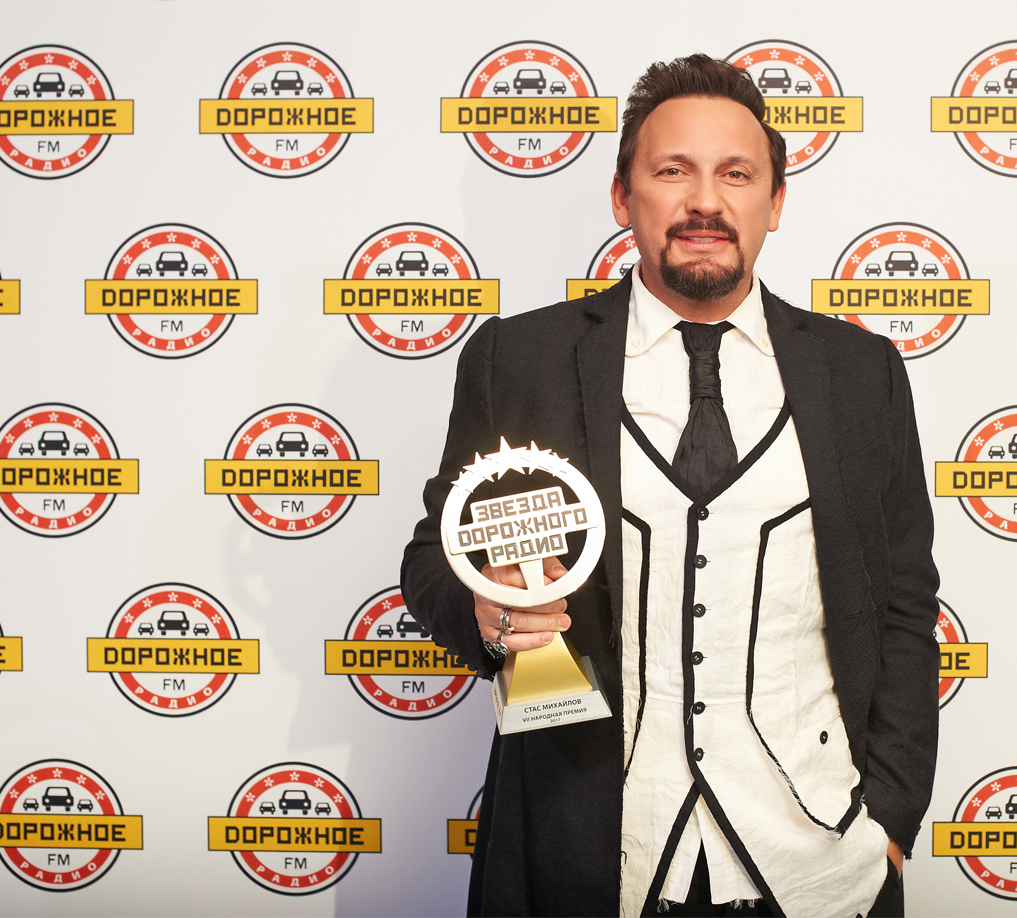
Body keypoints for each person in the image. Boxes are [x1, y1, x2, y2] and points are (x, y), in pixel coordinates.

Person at [402, 54, 939, 918]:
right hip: (588, 849)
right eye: (672, 171)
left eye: (736, 174)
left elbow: (904, 606)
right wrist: (486, 613)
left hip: (816, 855)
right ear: (624, 198)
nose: (704, 202)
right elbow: (434, 560)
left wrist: (892, 820)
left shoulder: (859, 372)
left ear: (775, 201)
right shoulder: (520, 358)